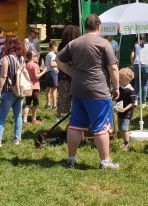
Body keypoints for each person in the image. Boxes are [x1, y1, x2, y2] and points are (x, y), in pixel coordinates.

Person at [56, 14, 120, 170]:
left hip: (78, 90)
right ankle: (105, 162)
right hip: (98, 91)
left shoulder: (74, 43)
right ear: (99, 26)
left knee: (75, 125)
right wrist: (117, 88)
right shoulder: (104, 43)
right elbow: (113, 68)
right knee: (101, 127)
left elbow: (58, 60)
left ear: (86, 26)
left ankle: (71, 159)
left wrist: (72, 73)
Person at [0, 35, 30, 148]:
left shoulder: (6, 58)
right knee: (18, 116)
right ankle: (17, 139)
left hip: (8, 91)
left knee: (1, 118)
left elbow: (3, 76)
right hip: (20, 91)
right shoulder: (21, 58)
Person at [56, 25, 82, 119]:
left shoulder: (62, 45)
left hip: (63, 76)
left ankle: (63, 118)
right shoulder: (77, 46)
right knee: (76, 101)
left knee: (64, 100)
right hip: (76, 77)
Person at [130, 34, 148, 107]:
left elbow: (132, 56)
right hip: (146, 65)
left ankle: (135, 100)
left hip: (136, 64)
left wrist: (132, 64)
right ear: (146, 38)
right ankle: (143, 103)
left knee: (137, 82)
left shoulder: (135, 44)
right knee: (145, 84)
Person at [114, 67, 136, 150]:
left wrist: (125, 109)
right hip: (120, 111)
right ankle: (125, 140)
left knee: (124, 128)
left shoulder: (131, 90)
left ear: (128, 79)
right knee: (121, 127)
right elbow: (117, 98)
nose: (119, 79)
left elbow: (132, 103)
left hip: (127, 112)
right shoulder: (119, 88)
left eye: (121, 78)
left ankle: (127, 144)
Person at [23, 50, 46, 124]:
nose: (37, 57)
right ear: (32, 57)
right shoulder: (35, 65)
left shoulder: (26, 65)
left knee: (27, 103)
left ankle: (25, 119)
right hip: (35, 87)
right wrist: (44, 71)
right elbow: (37, 76)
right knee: (35, 104)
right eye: (35, 56)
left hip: (28, 87)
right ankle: (33, 119)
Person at [44, 40, 59, 110]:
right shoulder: (53, 55)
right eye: (57, 47)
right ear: (54, 47)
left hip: (48, 73)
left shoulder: (47, 54)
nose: (57, 48)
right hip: (53, 73)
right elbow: (52, 64)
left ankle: (48, 104)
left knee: (48, 89)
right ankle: (54, 105)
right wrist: (59, 63)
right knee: (54, 90)